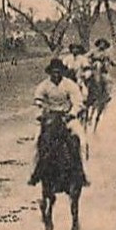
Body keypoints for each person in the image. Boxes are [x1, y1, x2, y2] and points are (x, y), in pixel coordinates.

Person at [27, 58, 89, 188]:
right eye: (53, 72)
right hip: (50, 118)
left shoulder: (70, 85)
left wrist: (72, 113)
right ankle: (34, 173)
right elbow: (38, 99)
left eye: (58, 72)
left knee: (82, 142)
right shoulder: (44, 85)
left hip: (67, 117)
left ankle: (82, 173)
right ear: (49, 73)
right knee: (36, 141)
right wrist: (42, 110)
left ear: (62, 72)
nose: (56, 75)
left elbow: (78, 101)